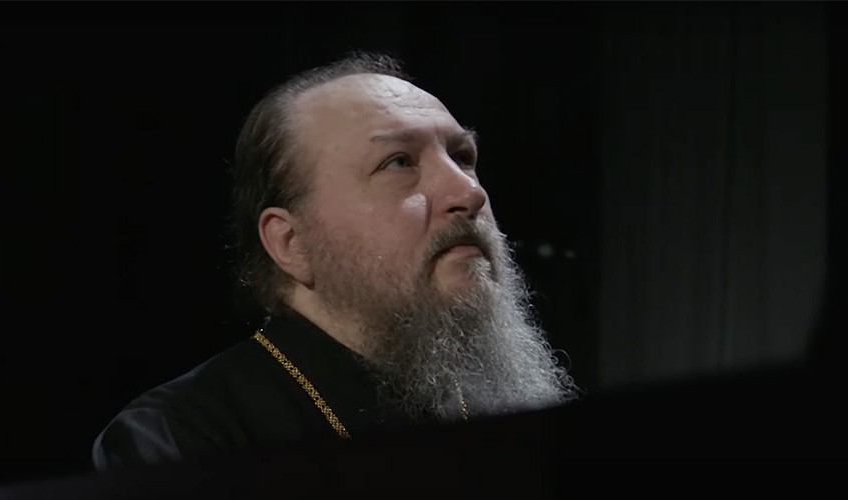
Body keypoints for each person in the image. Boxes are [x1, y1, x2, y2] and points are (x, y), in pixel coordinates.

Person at [91, 52, 578, 472]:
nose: (469, 192)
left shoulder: (504, 406)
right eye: (398, 162)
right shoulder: (182, 440)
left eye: (463, 156)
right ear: (291, 243)